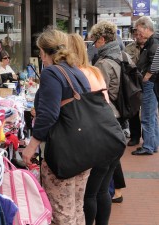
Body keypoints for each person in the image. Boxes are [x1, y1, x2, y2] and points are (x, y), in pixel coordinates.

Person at [22, 27, 91, 225]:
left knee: (61, 213)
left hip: (64, 152)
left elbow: (49, 114)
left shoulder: (52, 73)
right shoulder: (76, 71)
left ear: (43, 52)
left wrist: (32, 145)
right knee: (76, 209)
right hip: (84, 148)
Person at [67, 33, 122, 225]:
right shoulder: (94, 71)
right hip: (111, 134)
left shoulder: (75, 75)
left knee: (89, 193)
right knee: (102, 190)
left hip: (95, 139)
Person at [89, 20, 127, 205]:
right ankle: (115, 191)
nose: (94, 45)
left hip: (108, 114)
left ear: (102, 39)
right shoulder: (122, 55)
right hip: (119, 112)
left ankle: (111, 192)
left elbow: (98, 92)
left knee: (108, 161)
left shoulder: (104, 63)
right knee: (113, 157)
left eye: (95, 41)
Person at [131, 16, 159, 155]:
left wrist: (148, 76)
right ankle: (153, 144)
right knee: (151, 115)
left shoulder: (154, 43)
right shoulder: (152, 42)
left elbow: (156, 60)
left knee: (147, 116)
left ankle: (148, 146)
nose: (137, 33)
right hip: (152, 83)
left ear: (146, 28)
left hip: (151, 83)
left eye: (139, 30)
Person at [124, 28, 147, 146]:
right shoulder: (129, 48)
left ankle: (148, 138)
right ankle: (135, 136)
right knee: (134, 110)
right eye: (136, 34)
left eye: (140, 34)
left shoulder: (152, 46)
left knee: (149, 112)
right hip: (134, 83)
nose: (138, 36)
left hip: (148, 82)